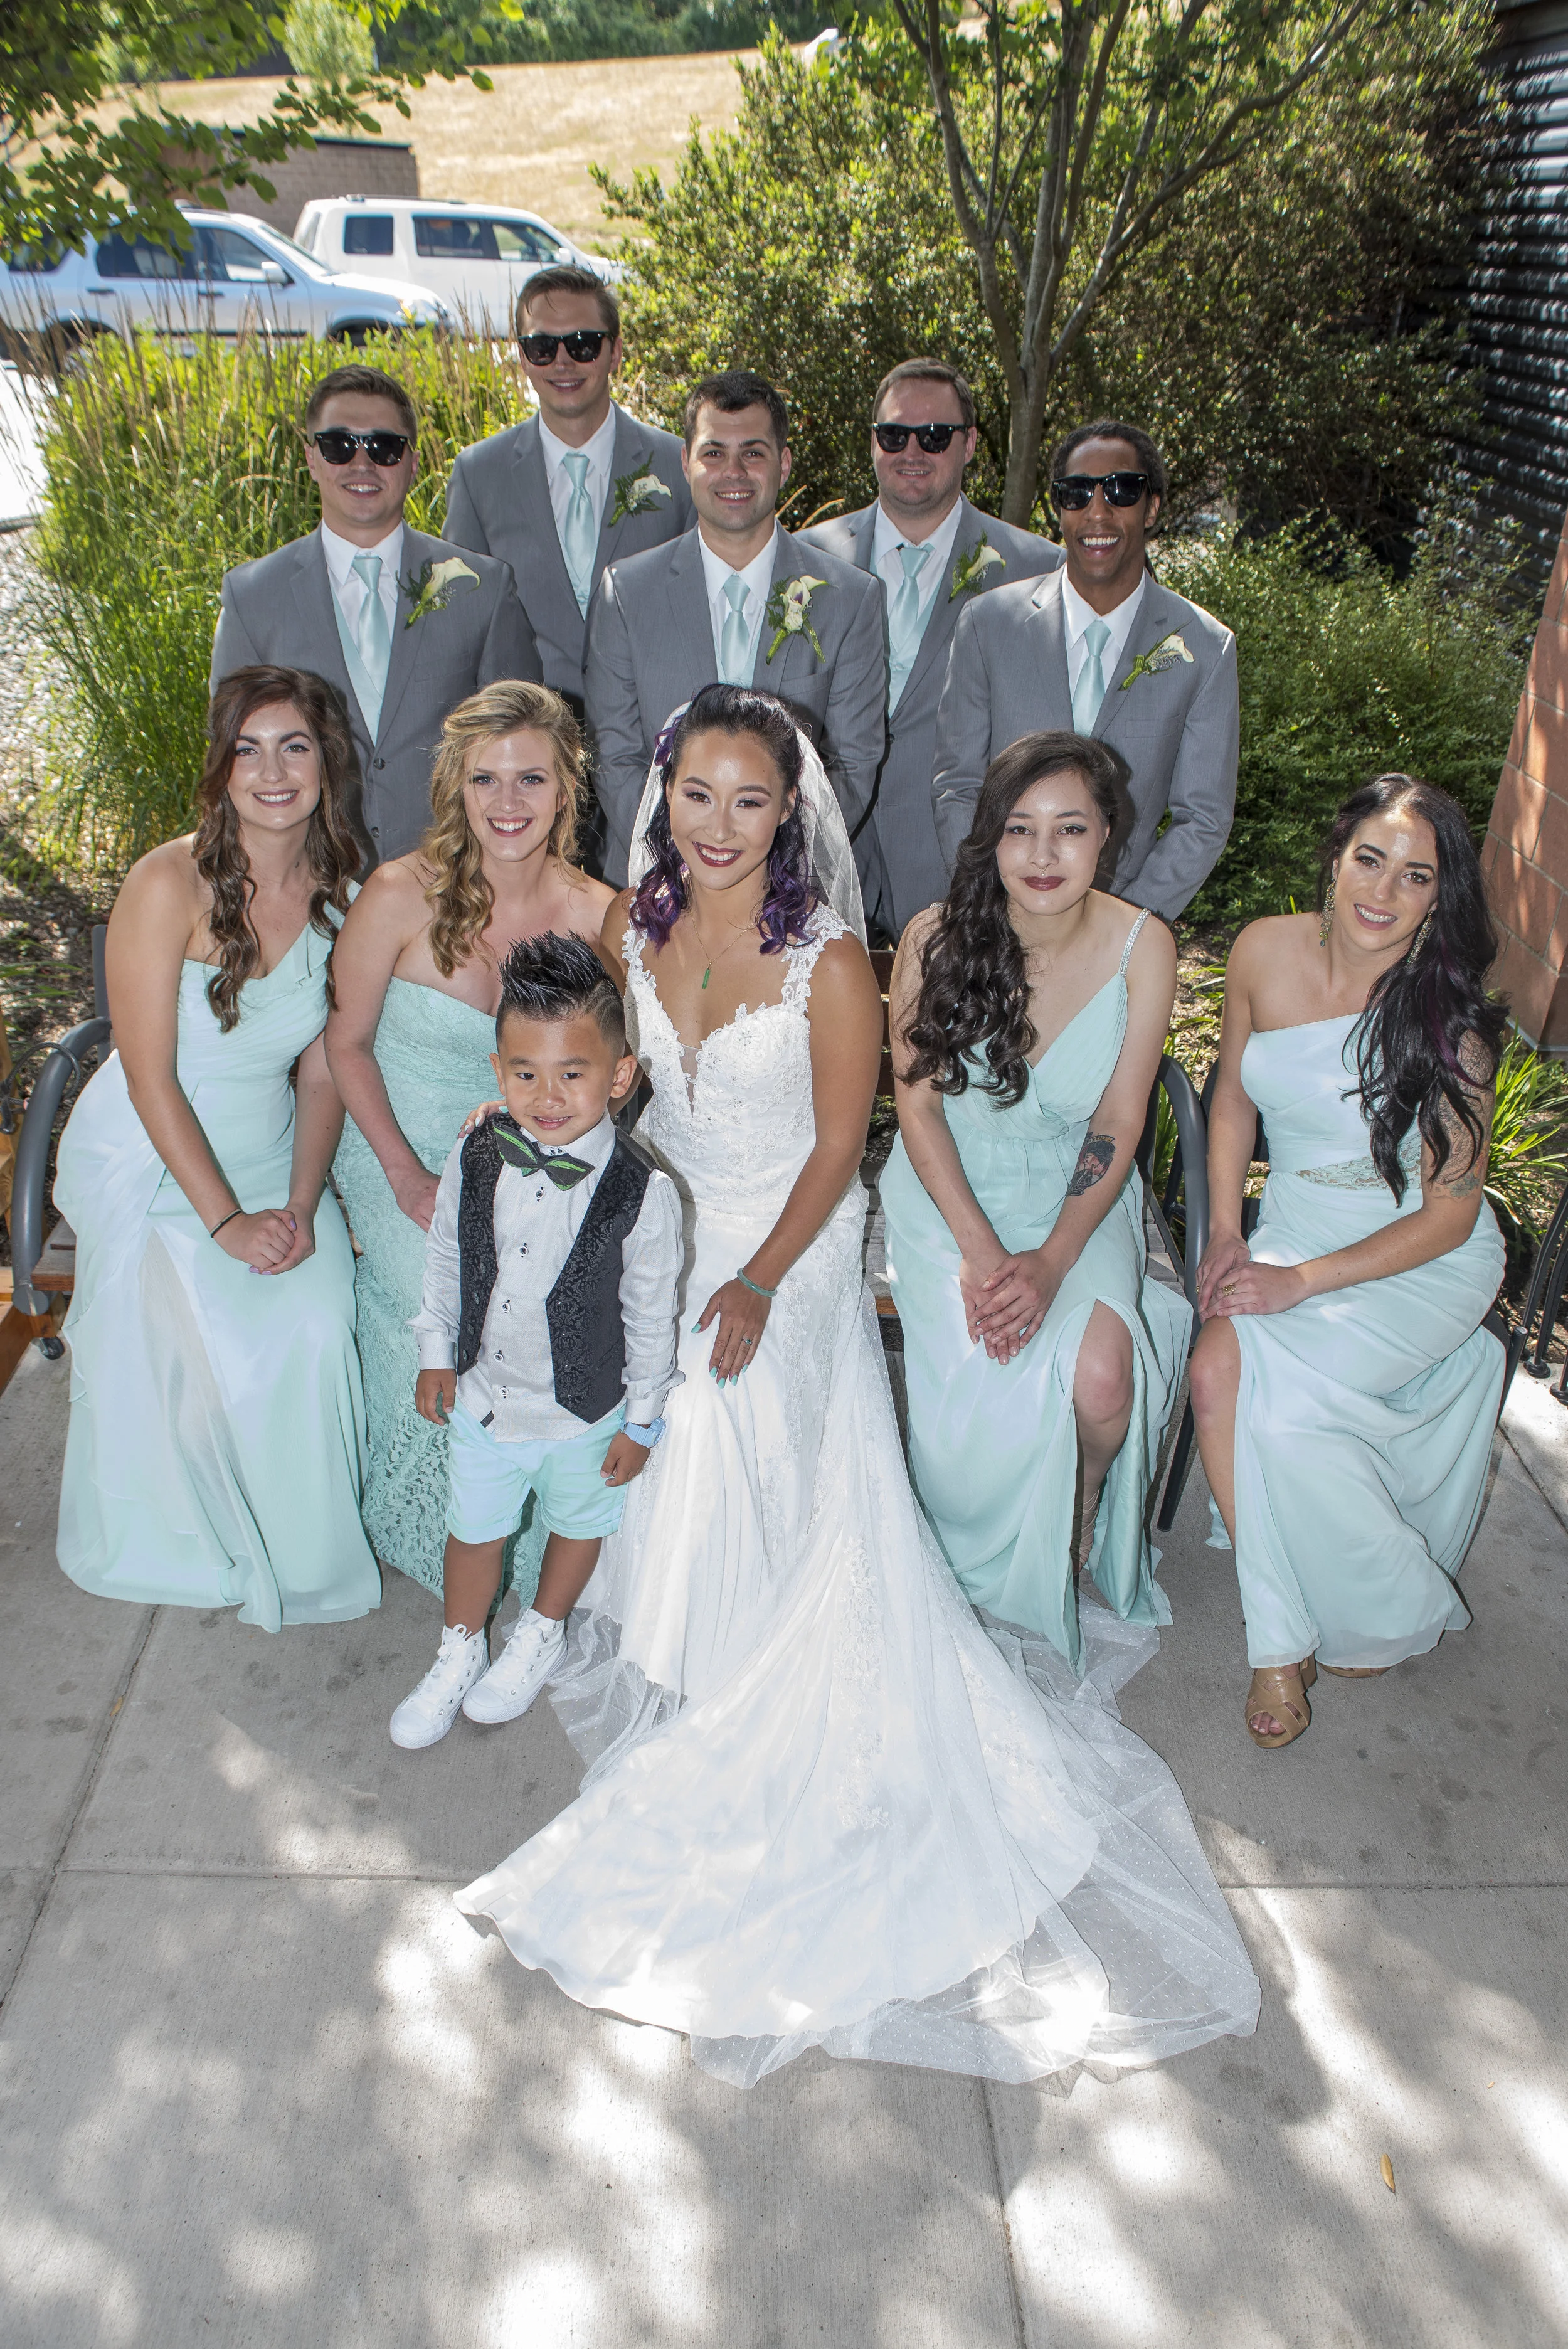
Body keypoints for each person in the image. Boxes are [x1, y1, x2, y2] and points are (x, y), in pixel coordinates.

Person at [453, 682, 1259, 2092]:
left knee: (707, 1384)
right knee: (625, 1348)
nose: (717, 827)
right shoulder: (620, 926)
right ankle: (664, 1620)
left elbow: (840, 1146)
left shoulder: (829, 960)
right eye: (694, 797)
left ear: (790, 811)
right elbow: (602, 1074)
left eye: (748, 800)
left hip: (793, 1234)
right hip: (670, 1205)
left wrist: (757, 1277)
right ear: (662, 801)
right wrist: (527, 1119)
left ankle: (746, 1643)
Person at [54, 666, 379, 1629]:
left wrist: (300, 1200)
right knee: (205, 1333)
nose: (273, 771)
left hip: (276, 1155)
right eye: (250, 748)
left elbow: (324, 1068)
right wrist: (229, 1222)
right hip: (157, 1160)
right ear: (221, 766)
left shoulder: (347, 891)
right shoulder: (166, 882)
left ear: (328, 764)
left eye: (296, 747)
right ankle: (183, 1531)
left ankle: (306, 1551)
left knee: (316, 1321)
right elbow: (149, 1074)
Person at [1189, 774, 1507, 1751]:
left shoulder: (1452, 1020)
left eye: (1416, 877)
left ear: (1437, 900)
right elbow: (1235, 1099)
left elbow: (1450, 1221)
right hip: (1290, 1224)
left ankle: (1308, 1628)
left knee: (1278, 1397)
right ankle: (1284, 1626)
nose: (1382, 890)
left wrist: (1296, 1283)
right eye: (1370, 859)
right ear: (1335, 857)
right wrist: (1227, 1234)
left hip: (1414, 1255)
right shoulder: (1261, 950)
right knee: (1214, 1368)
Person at [882, 731, 1187, 1672]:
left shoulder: (1145, 946)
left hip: (1073, 1201)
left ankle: (1084, 1499)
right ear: (991, 839)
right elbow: (918, 1106)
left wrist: (1053, 1260)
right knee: (982, 1389)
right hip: (950, 1193)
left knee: (1102, 1377)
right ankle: (987, 1524)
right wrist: (981, 1252)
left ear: (1108, 837)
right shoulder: (935, 937)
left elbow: (1119, 1121)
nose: (1044, 856)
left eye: (1070, 830)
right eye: (1020, 830)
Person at [327, 680, 615, 1594]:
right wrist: (409, 1178)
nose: (507, 804)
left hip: (536, 1146)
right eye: (485, 780)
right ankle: (435, 1519)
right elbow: (346, 1044)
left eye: (530, 779)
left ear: (567, 788)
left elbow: (616, 1071)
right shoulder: (400, 893)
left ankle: (533, 1519)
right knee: (444, 1287)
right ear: (456, 786)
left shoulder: (599, 914)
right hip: (398, 1139)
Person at [389, 933, 682, 1749]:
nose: (547, 1097)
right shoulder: (478, 1149)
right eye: (526, 1074)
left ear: (620, 1076)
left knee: (576, 1524)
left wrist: (643, 1420)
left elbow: (650, 1316)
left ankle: (543, 1628)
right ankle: (458, 1647)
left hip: (586, 1409)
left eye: (573, 1073)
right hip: (485, 1401)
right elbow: (448, 1251)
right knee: (473, 1528)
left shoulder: (642, 1193)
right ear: (498, 1071)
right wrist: (436, 1350)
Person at [211, 363, 541, 868]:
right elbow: (234, 754)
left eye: (384, 447)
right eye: (339, 446)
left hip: (451, 885)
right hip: (308, 881)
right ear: (312, 459)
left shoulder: (484, 588)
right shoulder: (253, 595)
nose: (362, 463)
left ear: (411, 462)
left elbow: (525, 747)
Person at [583, 369, 887, 884]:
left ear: (783, 463)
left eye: (753, 452)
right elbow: (616, 756)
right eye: (713, 453)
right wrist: (683, 865)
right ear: (686, 463)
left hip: (791, 891)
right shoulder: (626, 593)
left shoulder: (850, 598)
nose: (734, 472)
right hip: (658, 885)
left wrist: (774, 870)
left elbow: (853, 762)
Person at [931, 418, 1237, 919]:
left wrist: (1121, 929)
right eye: (1076, 493)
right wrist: (994, 900)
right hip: (1000, 921)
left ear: (1152, 506)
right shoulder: (987, 625)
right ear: (1059, 510)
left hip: (1123, 933)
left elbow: (1202, 818)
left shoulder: (1205, 649)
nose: (1097, 512)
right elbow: (957, 784)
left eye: (1121, 490)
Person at [800, 359, 1060, 938]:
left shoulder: (1037, 571)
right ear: (872, 443)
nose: (912, 451)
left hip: (962, 850)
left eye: (935, 436)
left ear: (968, 445)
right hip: (827, 844)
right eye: (894, 435)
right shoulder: (803, 562)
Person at [442, 267, 693, 717]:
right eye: (542, 347)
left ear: (615, 352)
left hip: (652, 742)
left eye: (582, 344)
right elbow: (461, 627)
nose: (563, 363)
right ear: (521, 357)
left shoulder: (678, 468)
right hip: (528, 751)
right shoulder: (479, 474)